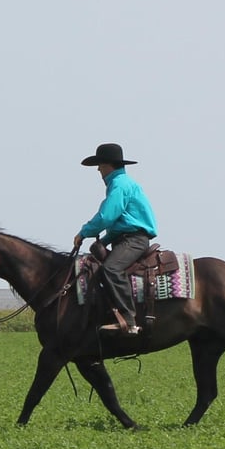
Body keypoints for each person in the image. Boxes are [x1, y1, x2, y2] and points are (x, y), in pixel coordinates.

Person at [74, 143, 158, 335]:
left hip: (134, 240)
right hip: (127, 237)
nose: (98, 170)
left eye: (100, 165)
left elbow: (107, 217)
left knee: (111, 269)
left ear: (108, 165)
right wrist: (103, 241)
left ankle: (128, 321)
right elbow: (120, 222)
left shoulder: (120, 185)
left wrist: (83, 232)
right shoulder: (121, 183)